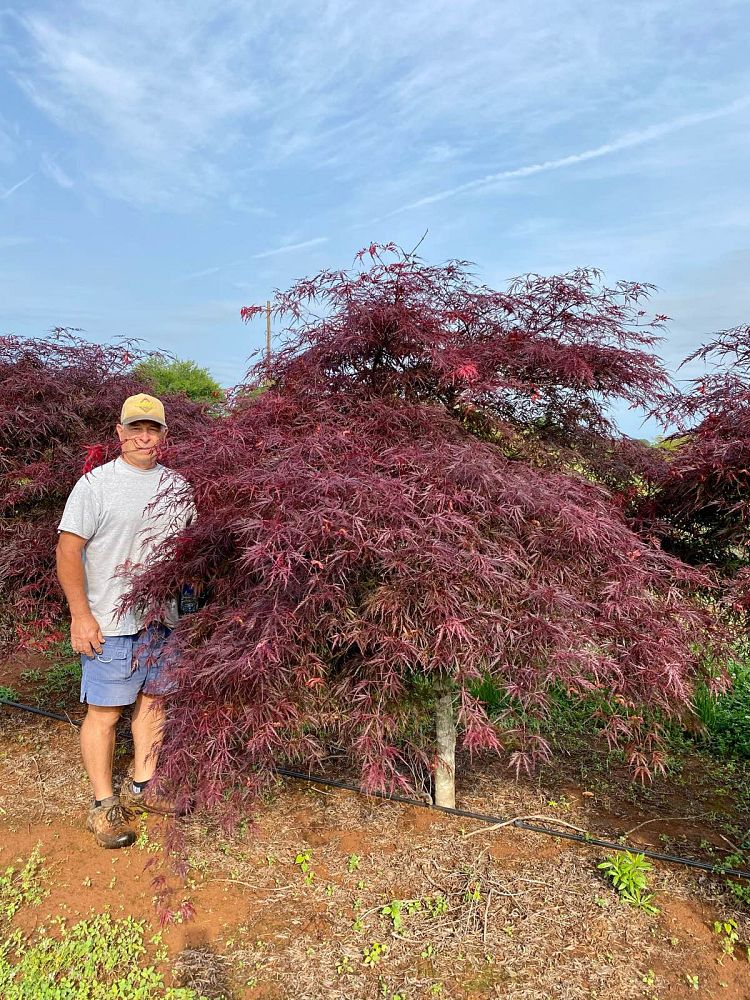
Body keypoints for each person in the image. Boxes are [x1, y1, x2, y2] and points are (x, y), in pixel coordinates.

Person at [56, 393, 193, 849]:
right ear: (119, 433)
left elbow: (187, 555)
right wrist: (81, 615)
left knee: (155, 700)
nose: (144, 436)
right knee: (106, 711)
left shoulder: (179, 487)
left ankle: (144, 783)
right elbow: (68, 550)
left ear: (164, 435)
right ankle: (102, 805)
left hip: (163, 618)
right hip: (110, 620)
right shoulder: (96, 485)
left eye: (152, 428)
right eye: (135, 428)